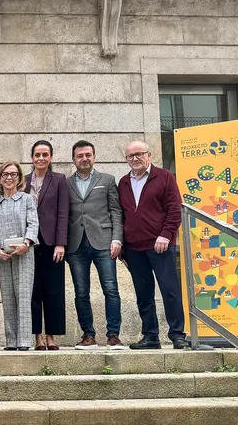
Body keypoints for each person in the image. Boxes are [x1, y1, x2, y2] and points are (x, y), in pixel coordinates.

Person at [118, 140, 188, 350]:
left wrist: (166, 235)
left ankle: (177, 335)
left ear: (149, 155)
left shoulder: (164, 176)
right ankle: (150, 336)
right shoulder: (123, 182)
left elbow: (175, 209)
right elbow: (120, 215)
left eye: (139, 154)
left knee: (170, 290)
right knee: (143, 293)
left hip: (160, 245)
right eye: (130, 156)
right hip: (133, 249)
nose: (135, 159)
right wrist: (121, 243)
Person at [65, 140, 125, 350]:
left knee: (111, 289)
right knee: (81, 292)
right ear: (73, 159)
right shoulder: (65, 183)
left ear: (94, 157)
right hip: (75, 245)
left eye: (88, 155)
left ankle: (113, 335)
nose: (84, 159)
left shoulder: (107, 180)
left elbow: (116, 211)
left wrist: (117, 238)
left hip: (103, 242)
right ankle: (88, 335)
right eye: (80, 156)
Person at [0, 161, 39, 351]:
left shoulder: (26, 200)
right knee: (8, 297)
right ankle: (11, 340)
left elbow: (33, 224)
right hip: (2, 256)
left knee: (23, 296)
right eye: (5, 174)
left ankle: (24, 341)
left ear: (19, 179)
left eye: (13, 174)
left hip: (24, 254)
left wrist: (26, 243)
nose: (9, 178)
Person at [24, 140, 69, 350]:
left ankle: (52, 336)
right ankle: (37, 337)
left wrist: (61, 243)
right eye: (37, 155)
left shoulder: (59, 180)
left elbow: (63, 213)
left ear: (50, 157)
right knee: (33, 291)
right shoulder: (22, 181)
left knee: (53, 290)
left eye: (45, 154)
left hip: (52, 244)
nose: (41, 158)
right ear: (31, 157)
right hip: (30, 243)